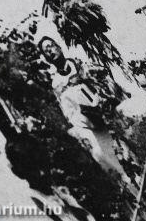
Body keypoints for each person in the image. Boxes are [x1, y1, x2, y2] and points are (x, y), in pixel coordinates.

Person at [38, 36, 135, 191]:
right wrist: (82, 120)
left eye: (51, 45)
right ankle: (126, 182)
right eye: (46, 50)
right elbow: (68, 111)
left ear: (59, 47)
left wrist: (100, 95)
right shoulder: (56, 84)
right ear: (46, 58)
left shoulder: (78, 63)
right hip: (88, 121)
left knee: (126, 141)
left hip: (105, 110)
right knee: (101, 153)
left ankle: (138, 170)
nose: (50, 50)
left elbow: (102, 81)